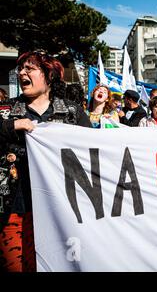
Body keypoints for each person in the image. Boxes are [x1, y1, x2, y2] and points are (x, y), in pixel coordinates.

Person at [0, 51, 91, 272]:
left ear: (49, 75)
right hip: (16, 209)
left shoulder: (71, 112)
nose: (22, 72)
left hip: (61, 212)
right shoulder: (6, 111)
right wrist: (13, 126)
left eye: (29, 68)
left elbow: (93, 149)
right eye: (20, 69)